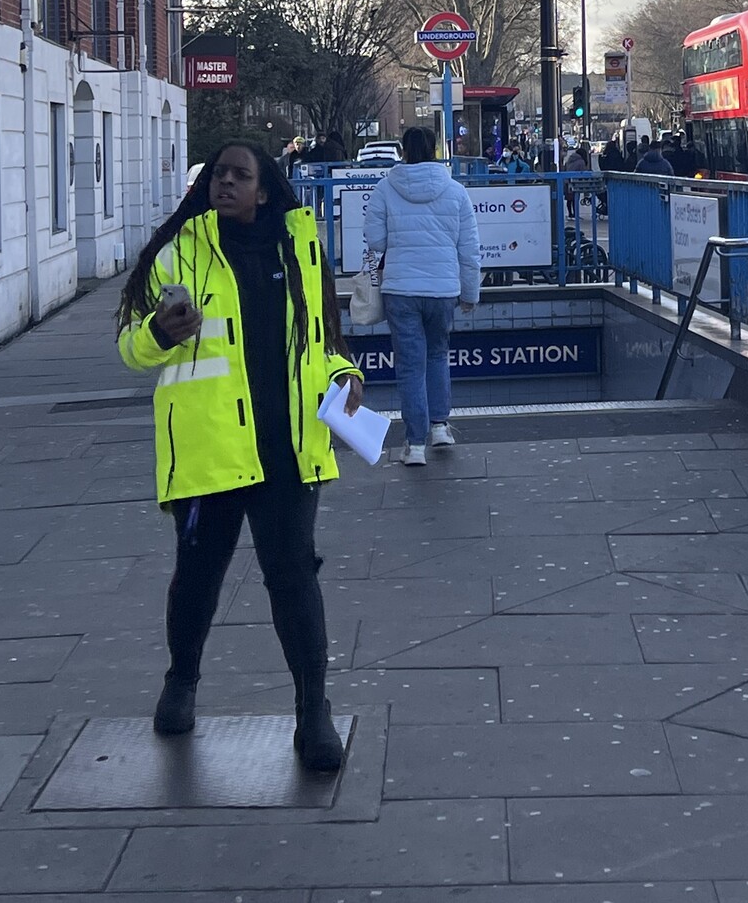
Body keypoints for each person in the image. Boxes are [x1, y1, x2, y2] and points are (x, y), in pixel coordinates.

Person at [116, 142, 365, 773]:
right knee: (198, 575)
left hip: (289, 449)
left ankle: (313, 713)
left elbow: (320, 341)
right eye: (218, 174)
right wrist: (158, 334)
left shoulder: (299, 248)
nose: (224, 182)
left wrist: (344, 374)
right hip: (211, 448)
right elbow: (130, 348)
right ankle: (182, 680)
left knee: (294, 576)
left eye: (239, 175)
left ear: (264, 189)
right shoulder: (177, 252)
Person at [364, 127, 480, 467]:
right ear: (434, 150)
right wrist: (470, 293)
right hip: (443, 291)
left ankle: (415, 445)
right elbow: (469, 250)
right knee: (438, 356)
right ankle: (440, 427)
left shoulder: (385, 188)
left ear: (403, 150)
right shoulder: (455, 191)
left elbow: (376, 241)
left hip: (400, 290)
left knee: (410, 366)